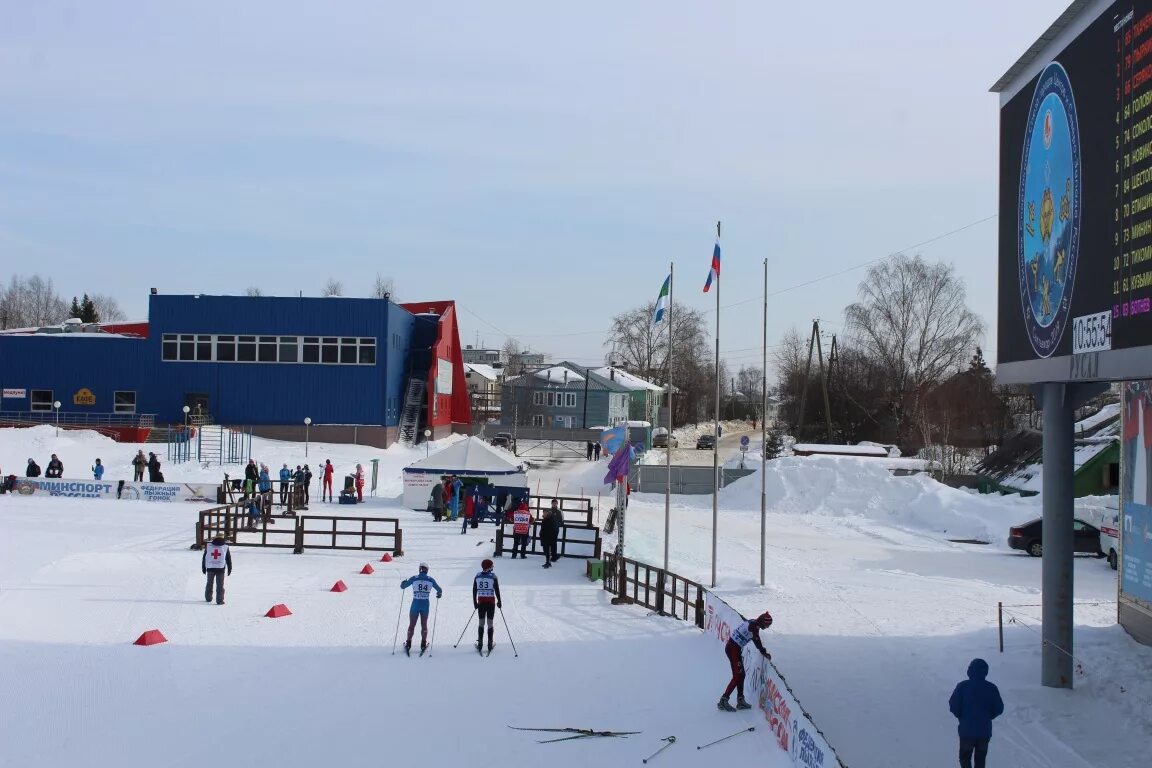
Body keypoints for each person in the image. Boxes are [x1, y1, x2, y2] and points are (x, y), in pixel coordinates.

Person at [949, 658, 1004, 768]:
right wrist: (988, 716)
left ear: (969, 670)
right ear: (985, 671)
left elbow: (954, 705)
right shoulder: (991, 688)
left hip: (966, 731)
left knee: (965, 757)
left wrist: (961, 716)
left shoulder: (962, 686)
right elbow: (999, 708)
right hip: (984, 731)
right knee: (980, 759)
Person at [718, 611, 773, 712]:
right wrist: (763, 651)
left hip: (735, 648)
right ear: (762, 622)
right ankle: (723, 700)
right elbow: (757, 641)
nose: (767, 627)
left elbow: (756, 638)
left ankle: (740, 700)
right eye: (767, 625)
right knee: (737, 676)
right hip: (733, 649)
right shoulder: (754, 626)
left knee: (741, 675)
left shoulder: (754, 622)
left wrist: (762, 650)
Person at [400, 562, 442, 654]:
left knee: (412, 625)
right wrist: (439, 594)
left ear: (420, 569)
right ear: (427, 570)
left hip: (415, 604)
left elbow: (402, 586)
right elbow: (439, 590)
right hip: (425, 604)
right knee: (424, 624)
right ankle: (423, 644)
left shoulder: (414, 578)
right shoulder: (431, 580)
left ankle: (408, 643)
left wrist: (403, 583)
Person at [473, 558, 503, 653]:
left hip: (481, 603)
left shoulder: (477, 576)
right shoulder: (493, 576)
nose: (493, 567)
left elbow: (474, 590)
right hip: (490, 603)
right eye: (492, 566)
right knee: (490, 623)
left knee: (481, 623)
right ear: (489, 567)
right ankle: (490, 643)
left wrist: (474, 602)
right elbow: (497, 590)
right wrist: (499, 601)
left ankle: (480, 643)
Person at [201, 534, 233, 605]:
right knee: (220, 585)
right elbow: (228, 559)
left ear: (215, 538)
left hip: (210, 568)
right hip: (220, 568)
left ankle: (208, 598)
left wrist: (203, 567)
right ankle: (219, 600)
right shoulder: (225, 547)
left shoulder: (208, 546)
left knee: (209, 583)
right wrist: (230, 568)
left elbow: (204, 557)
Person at [540, 499, 563, 567]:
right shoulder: (549, 511)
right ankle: (549, 559)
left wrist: (556, 526)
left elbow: (561, 521)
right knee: (547, 545)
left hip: (554, 531)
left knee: (553, 544)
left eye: (555, 503)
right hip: (548, 532)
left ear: (557, 504)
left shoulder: (559, 511)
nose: (554, 504)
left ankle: (553, 556)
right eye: (553, 503)